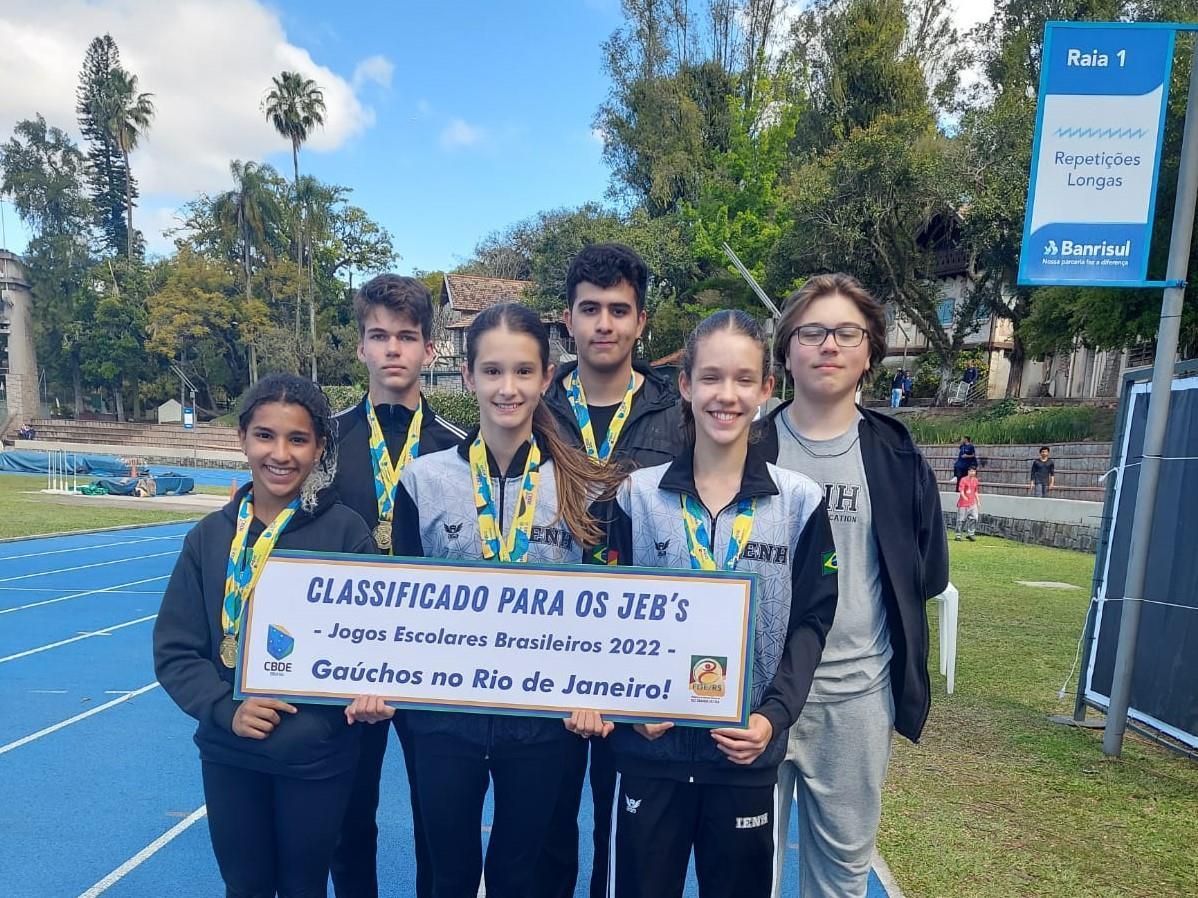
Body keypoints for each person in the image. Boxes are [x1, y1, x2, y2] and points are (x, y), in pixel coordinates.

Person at [350, 302, 624, 898]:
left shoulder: (583, 483)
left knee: (521, 875)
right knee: (447, 875)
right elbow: (402, 603)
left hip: (546, 724)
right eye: (493, 371)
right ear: (468, 376)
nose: (508, 388)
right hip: (445, 720)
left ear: (547, 378)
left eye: (523, 372)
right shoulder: (423, 480)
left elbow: (606, 606)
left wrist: (594, 692)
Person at [601, 310, 838, 898]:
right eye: (709, 378)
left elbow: (812, 620)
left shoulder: (800, 502)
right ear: (685, 385)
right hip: (651, 752)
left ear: (765, 389)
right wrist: (631, 703)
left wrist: (772, 717)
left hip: (743, 754)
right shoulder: (637, 496)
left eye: (741, 379)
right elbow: (610, 617)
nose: (724, 395)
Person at [760, 272, 950, 898]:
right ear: (786, 349)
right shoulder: (744, 444)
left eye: (847, 333)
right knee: (743, 869)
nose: (829, 346)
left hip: (857, 696)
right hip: (756, 697)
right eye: (812, 332)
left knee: (841, 876)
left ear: (871, 350)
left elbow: (927, 572)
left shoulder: (896, 455)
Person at [153, 374, 376, 898]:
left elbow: (369, 646)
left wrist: (353, 702)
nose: (281, 453)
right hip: (230, 750)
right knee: (246, 886)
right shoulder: (207, 538)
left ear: (319, 447)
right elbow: (176, 649)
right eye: (265, 436)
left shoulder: (345, 533)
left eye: (298, 439)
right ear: (242, 439)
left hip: (315, 756)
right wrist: (224, 708)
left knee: (304, 887)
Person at [537, 242, 683, 898]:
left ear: (641, 321)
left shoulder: (676, 414)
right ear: (567, 319)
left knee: (625, 838)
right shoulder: (533, 403)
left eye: (618, 310)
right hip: (546, 647)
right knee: (544, 828)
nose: (604, 323)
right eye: (589, 309)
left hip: (637, 647)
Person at [329, 274, 466, 898]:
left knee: (438, 815)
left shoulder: (459, 451)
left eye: (406, 337)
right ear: (360, 347)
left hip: (432, 659)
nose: (392, 350)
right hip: (344, 655)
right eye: (378, 336)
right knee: (349, 816)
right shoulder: (325, 444)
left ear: (429, 351)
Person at [956, 465, 981, 541]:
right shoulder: (963, 480)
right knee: (961, 519)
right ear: (968, 471)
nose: (972, 473)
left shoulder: (976, 480)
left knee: (974, 518)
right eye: (971, 471)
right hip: (963, 504)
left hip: (972, 503)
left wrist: (978, 501)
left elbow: (976, 491)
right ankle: (958, 535)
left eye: (974, 471)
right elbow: (961, 491)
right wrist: (964, 497)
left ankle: (971, 534)